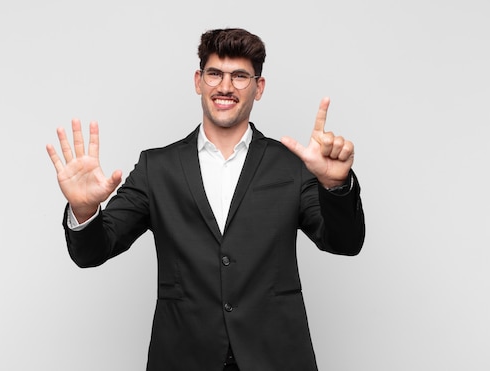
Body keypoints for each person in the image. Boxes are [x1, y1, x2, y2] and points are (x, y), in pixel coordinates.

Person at [46, 28, 365, 371]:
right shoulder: (158, 168)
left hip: (275, 357)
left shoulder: (291, 166)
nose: (225, 87)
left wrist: (336, 186)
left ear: (259, 88)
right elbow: (93, 251)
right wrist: (84, 209)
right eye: (215, 74)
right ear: (199, 81)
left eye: (240, 76)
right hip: (184, 357)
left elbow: (345, 243)